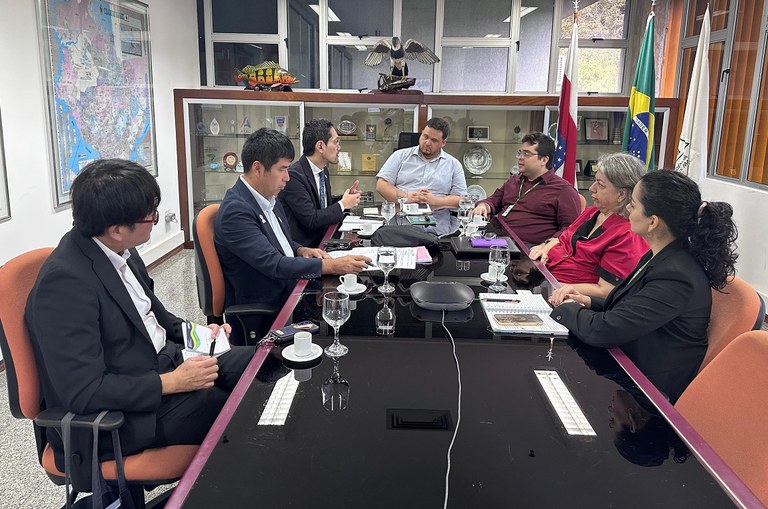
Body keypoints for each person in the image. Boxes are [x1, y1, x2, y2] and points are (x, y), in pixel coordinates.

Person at [25, 158, 255, 472]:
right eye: (151, 216)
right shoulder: (64, 284)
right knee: (238, 410)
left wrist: (202, 335)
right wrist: (172, 383)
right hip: (122, 416)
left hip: (163, 362)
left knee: (258, 364)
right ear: (117, 229)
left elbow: (156, 319)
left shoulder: (120, 250)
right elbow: (84, 391)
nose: (156, 220)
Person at [550, 170, 738, 403]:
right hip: (629, 360)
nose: (628, 210)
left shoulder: (677, 275)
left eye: (634, 205)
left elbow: (604, 331)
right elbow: (633, 305)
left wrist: (565, 308)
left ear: (653, 221)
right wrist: (587, 301)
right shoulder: (661, 255)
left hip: (647, 393)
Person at [215, 128, 370, 340]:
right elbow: (274, 264)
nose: (288, 177)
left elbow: (280, 241)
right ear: (258, 169)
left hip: (292, 287)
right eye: (282, 170)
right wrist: (332, 265)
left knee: (353, 310)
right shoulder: (236, 211)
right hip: (268, 306)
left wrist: (300, 249)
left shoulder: (268, 197)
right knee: (343, 326)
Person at [533, 153, 649, 301]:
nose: (591, 188)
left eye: (600, 185)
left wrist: (552, 287)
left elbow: (607, 290)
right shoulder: (593, 212)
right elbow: (561, 239)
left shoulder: (627, 234)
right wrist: (544, 247)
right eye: (595, 181)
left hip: (566, 297)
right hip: (544, 277)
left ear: (621, 194)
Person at [471, 132, 581, 246]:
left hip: (527, 249)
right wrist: (483, 206)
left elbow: (571, 229)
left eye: (526, 154)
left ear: (544, 160)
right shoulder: (514, 181)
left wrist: (547, 245)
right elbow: (493, 201)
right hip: (495, 238)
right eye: (520, 153)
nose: (520, 158)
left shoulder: (563, 190)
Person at [375, 117, 467, 235]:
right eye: (425, 136)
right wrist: (407, 197)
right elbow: (381, 185)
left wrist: (436, 201)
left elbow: (461, 199)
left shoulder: (453, 165)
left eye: (434, 140)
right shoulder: (400, 156)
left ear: (443, 143)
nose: (427, 142)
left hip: (437, 231)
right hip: (401, 227)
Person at [279, 119, 361, 247]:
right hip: (306, 249)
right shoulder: (294, 176)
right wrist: (343, 204)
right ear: (320, 146)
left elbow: (322, 205)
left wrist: (345, 199)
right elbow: (311, 219)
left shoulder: (323, 170)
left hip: (325, 238)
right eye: (336, 142)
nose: (339, 147)